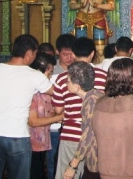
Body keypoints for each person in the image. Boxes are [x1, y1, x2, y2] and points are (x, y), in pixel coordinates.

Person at [0, 34, 53, 179]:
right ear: (28, 54)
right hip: (17, 135)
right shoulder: (34, 75)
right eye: (35, 53)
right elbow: (55, 93)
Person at [53, 38, 107, 179]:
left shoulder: (62, 77)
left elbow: (58, 110)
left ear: (73, 53)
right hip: (97, 138)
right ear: (92, 53)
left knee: (67, 174)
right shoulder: (104, 76)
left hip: (71, 135)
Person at [63, 61, 104, 179]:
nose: (66, 84)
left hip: (97, 160)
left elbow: (89, 135)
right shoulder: (95, 95)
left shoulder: (91, 101)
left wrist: (73, 165)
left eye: (68, 81)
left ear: (77, 86)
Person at [28, 53, 64, 179]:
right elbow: (33, 121)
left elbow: (48, 112)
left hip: (41, 141)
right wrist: (59, 117)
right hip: (30, 143)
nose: (49, 78)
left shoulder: (44, 91)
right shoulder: (31, 91)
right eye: (49, 74)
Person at [48, 34, 77, 179]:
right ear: (57, 52)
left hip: (73, 126)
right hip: (53, 126)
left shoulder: (78, 71)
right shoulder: (52, 71)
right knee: (53, 163)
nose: (70, 57)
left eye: (72, 53)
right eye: (65, 54)